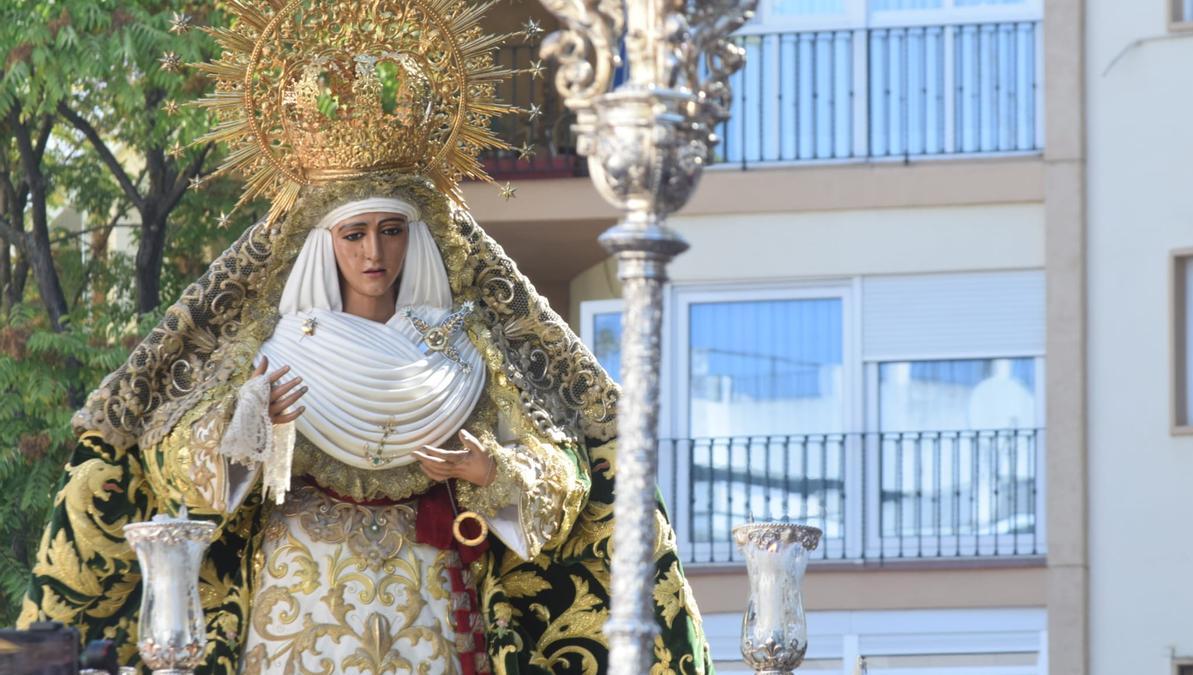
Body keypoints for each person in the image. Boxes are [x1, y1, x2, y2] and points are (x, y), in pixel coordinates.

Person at [16, 1, 710, 674]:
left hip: (433, 606)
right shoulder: (271, 345)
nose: (374, 253)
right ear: (325, 242)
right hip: (295, 602)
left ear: (415, 237)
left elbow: (561, 472)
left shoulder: (466, 346)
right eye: (354, 234)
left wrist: (490, 472)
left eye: (391, 230)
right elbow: (172, 463)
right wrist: (245, 425)